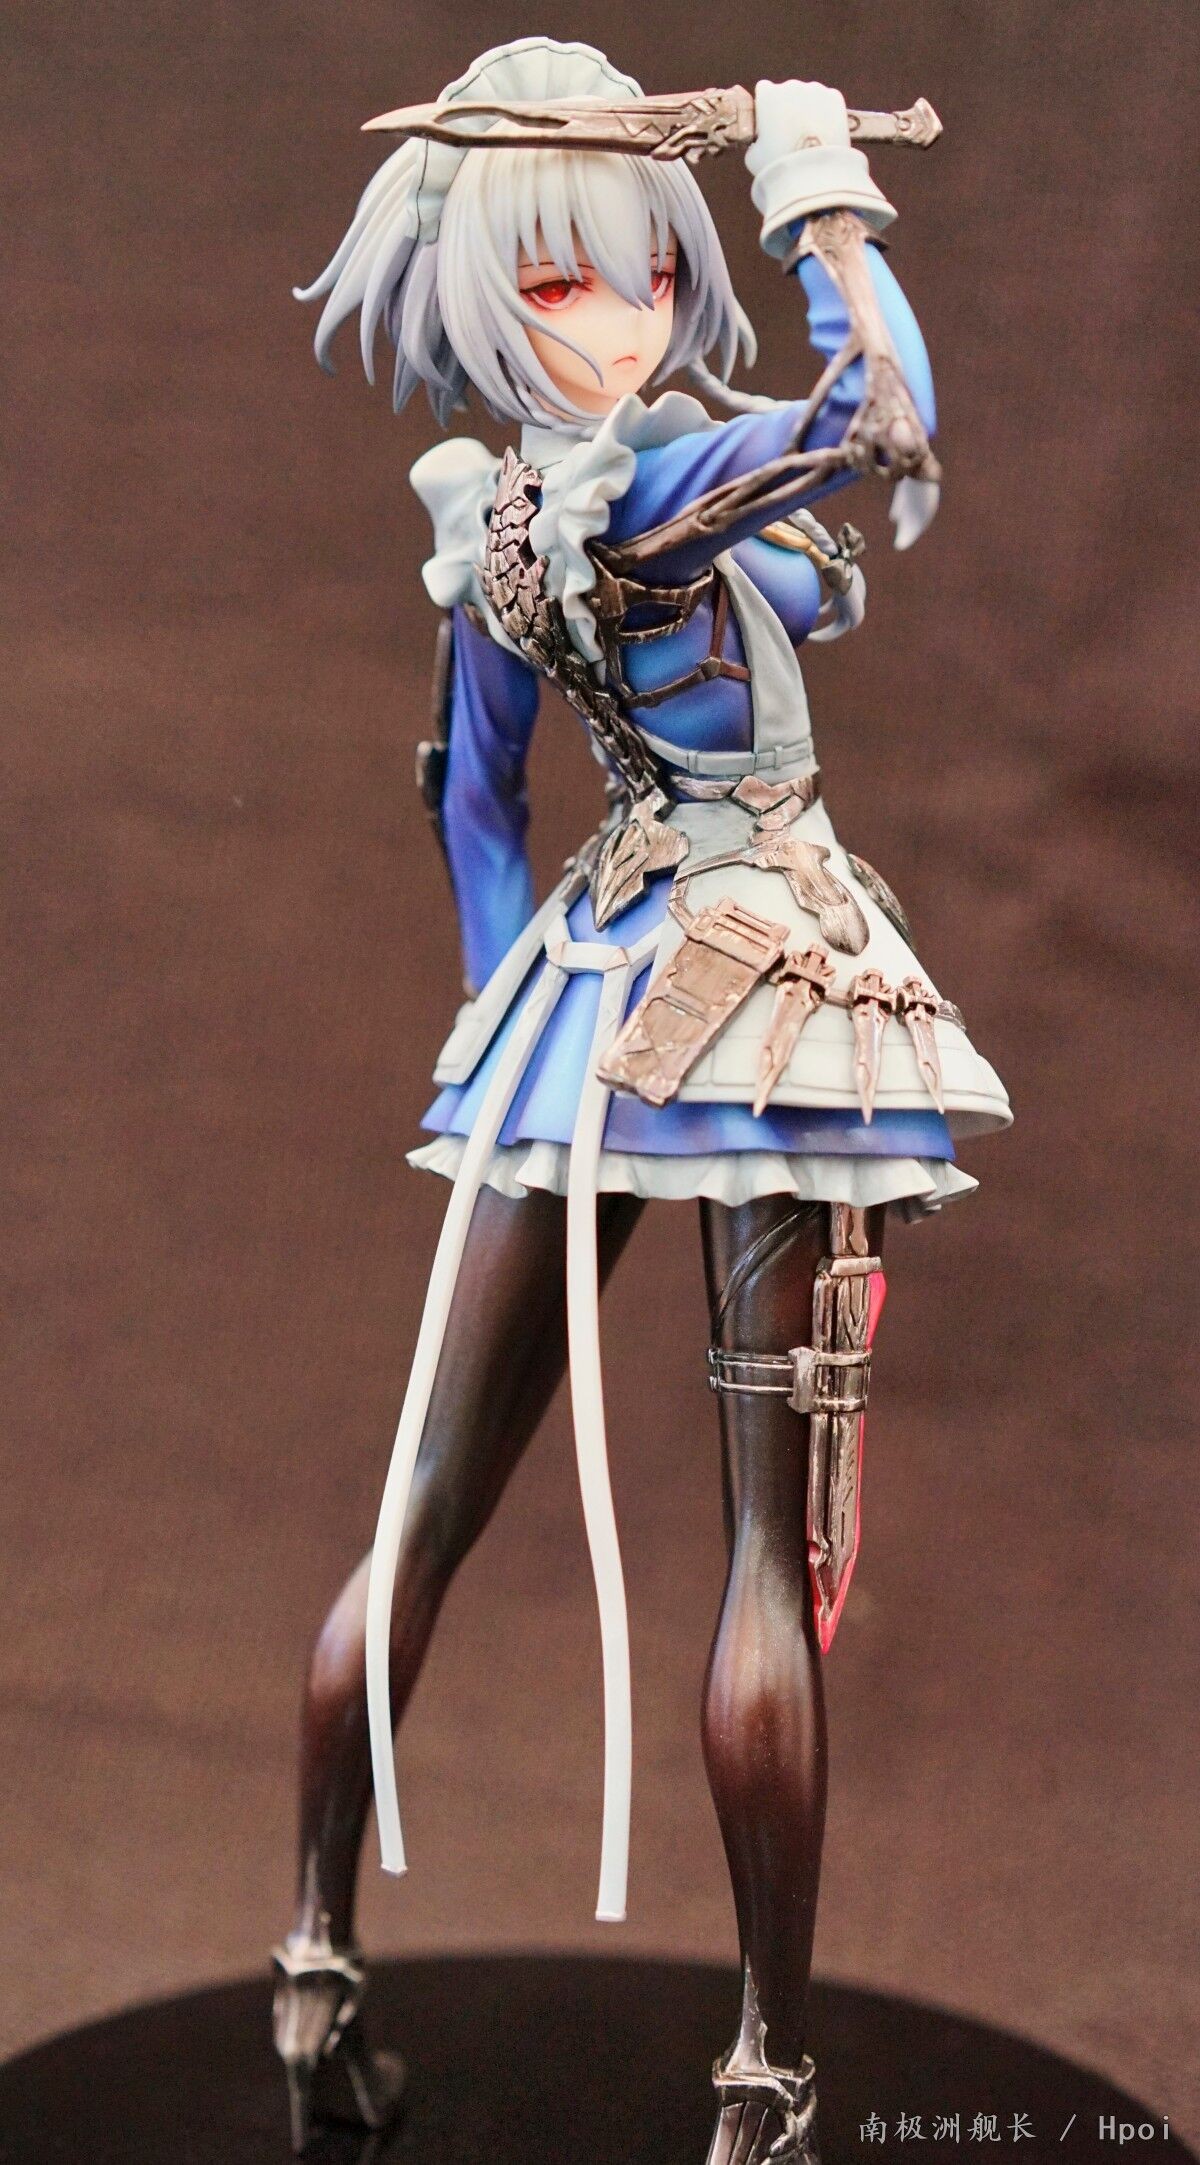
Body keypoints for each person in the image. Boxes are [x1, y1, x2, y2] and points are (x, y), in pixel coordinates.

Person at [274, 36, 1011, 2163]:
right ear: (484, 301)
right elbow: (877, 415)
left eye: (653, 270)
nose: (628, 313)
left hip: (591, 994)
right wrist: (814, 188)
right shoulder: (645, 497)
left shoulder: (504, 522)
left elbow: (473, 800)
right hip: (761, 992)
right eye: (563, 281)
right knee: (762, 1562)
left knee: (427, 1505)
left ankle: (314, 1964)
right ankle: (766, 2084)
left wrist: (516, 1020)